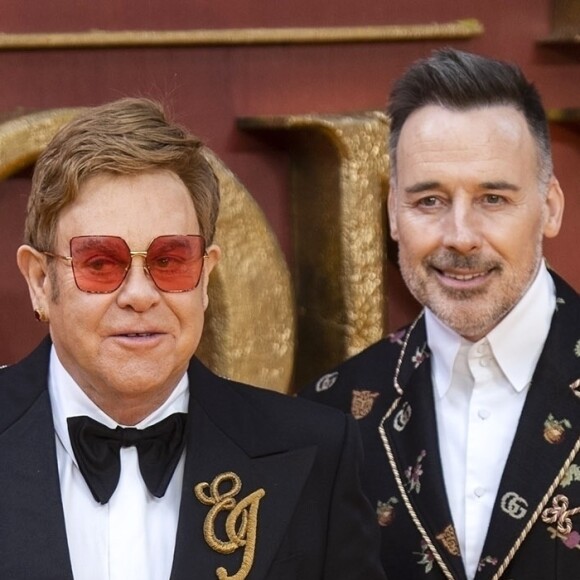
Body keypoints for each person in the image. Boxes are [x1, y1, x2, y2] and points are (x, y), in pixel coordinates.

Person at [0, 97, 386, 580]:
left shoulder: (317, 455)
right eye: (100, 264)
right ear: (40, 281)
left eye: (169, 261)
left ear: (205, 278)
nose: (139, 295)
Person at [300, 48, 580, 579]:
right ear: (392, 217)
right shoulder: (331, 412)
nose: (460, 236)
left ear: (550, 208)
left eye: (493, 198)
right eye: (429, 201)